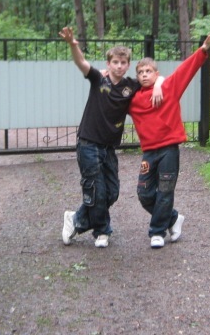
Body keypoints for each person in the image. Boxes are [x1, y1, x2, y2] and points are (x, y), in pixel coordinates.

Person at [59, 26, 163, 248]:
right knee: (96, 189)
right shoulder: (99, 79)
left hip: (109, 147)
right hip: (88, 143)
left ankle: (76, 219)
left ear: (128, 65)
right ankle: (101, 232)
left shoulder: (131, 86)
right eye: (115, 62)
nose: (119, 66)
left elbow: (155, 77)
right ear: (108, 64)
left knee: (112, 192)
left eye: (123, 62)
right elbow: (81, 63)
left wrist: (159, 86)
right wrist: (73, 45)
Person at [128, 32, 210, 248]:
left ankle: (157, 232)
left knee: (165, 191)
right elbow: (113, 91)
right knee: (144, 193)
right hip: (149, 152)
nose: (144, 75)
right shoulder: (133, 99)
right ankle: (173, 218)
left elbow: (185, 70)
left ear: (156, 73)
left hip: (169, 150)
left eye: (149, 71)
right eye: (140, 72)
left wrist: (203, 50)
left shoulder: (169, 87)